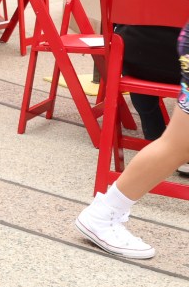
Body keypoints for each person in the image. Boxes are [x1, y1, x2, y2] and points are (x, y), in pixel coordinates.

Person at [74, 0, 189, 260]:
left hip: (135, 56)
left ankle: (158, 132)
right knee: (179, 141)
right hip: (181, 61)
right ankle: (165, 142)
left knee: (140, 44)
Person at [76, 21, 189, 259]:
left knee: (178, 143)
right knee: (178, 144)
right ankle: (104, 213)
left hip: (136, 51)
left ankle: (105, 212)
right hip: (154, 52)